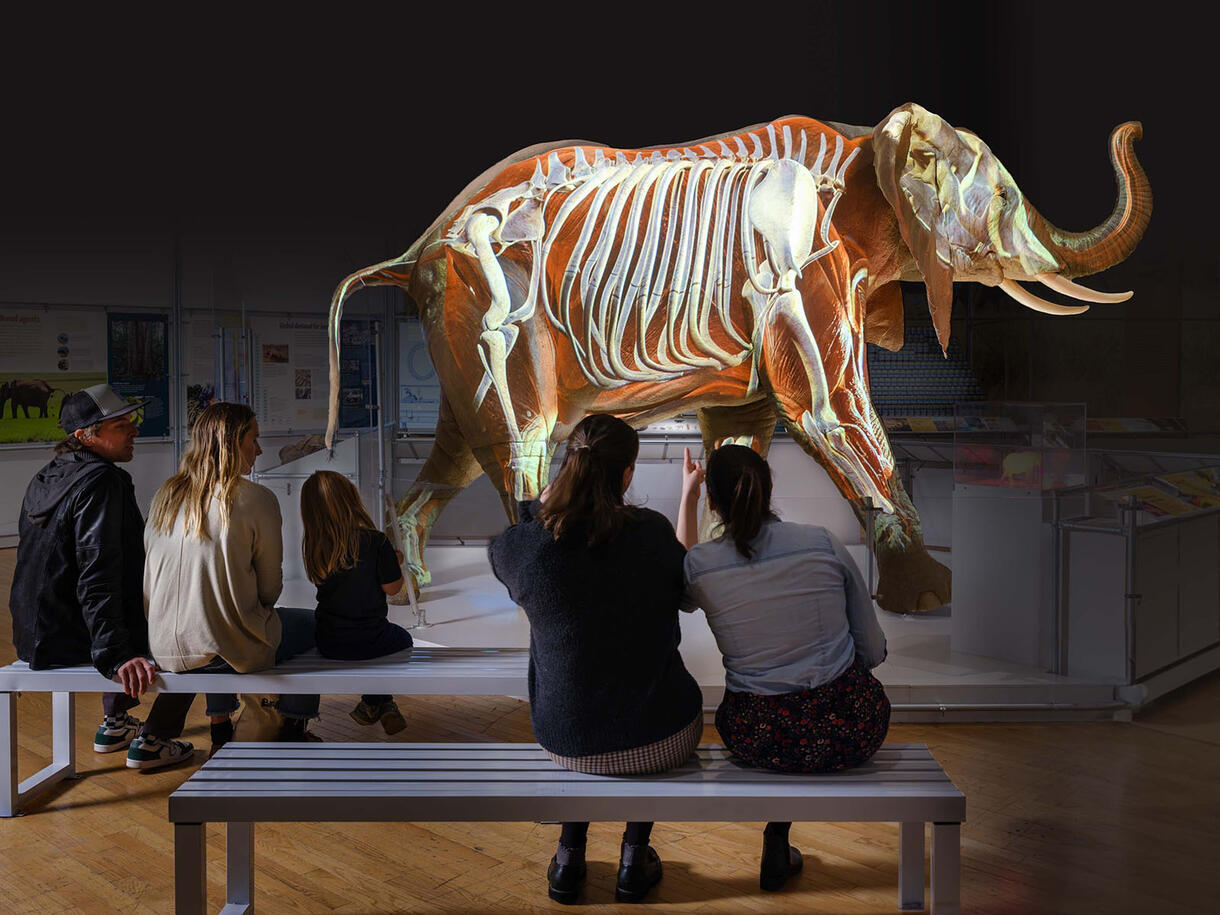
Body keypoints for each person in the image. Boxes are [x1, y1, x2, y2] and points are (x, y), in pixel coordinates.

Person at [489, 414, 703, 906]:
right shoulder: (650, 533)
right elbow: (689, 588)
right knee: (643, 696)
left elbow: (509, 543)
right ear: (627, 474)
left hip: (565, 740)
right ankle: (634, 856)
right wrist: (689, 495)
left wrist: (540, 505)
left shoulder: (529, 549)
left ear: (568, 467)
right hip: (664, 737)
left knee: (583, 703)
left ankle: (568, 858)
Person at [676, 443, 890, 892]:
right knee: (818, 703)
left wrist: (688, 497)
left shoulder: (701, 565)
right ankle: (778, 835)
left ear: (713, 501)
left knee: (785, 714)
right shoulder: (821, 541)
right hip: (848, 729)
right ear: (770, 489)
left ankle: (778, 834)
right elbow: (872, 649)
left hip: (757, 734)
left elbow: (682, 584)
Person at [9, 383, 195, 770]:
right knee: (195, 641)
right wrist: (116, 657)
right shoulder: (102, 481)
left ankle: (115, 722)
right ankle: (156, 741)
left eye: (130, 421)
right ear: (85, 436)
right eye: (120, 425)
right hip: (69, 639)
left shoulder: (51, 474)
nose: (134, 431)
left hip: (37, 634)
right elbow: (98, 572)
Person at [144, 402, 320, 751]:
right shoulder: (256, 498)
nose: (260, 449)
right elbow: (270, 589)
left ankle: (214, 726)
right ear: (231, 443)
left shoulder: (165, 495)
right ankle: (291, 728)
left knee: (217, 621)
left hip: (163, 647)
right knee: (317, 626)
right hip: (221, 650)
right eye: (253, 439)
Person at [301, 470, 411, 734]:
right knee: (404, 640)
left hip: (330, 641)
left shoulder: (315, 545)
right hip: (372, 638)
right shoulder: (376, 541)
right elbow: (394, 588)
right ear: (350, 500)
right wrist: (394, 562)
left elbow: (326, 578)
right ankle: (377, 702)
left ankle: (378, 705)